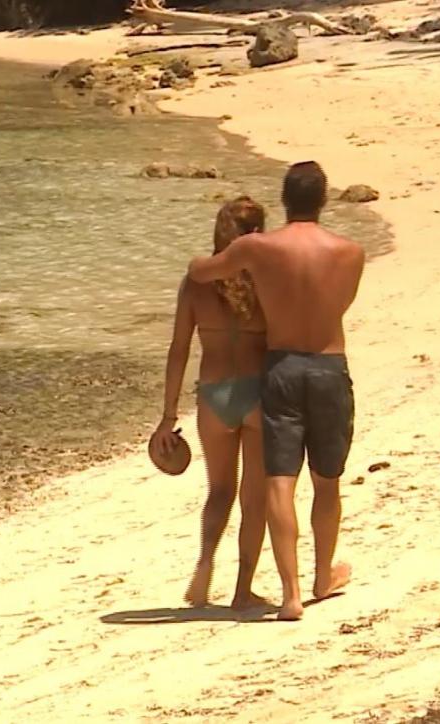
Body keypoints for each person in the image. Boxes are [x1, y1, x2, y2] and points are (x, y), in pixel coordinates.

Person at [187, 162, 365, 621]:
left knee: (280, 481)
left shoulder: (257, 248)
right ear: (323, 200)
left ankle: (290, 596)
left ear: (284, 200)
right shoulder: (351, 253)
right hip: (328, 365)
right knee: (327, 481)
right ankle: (322, 576)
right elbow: (338, 305)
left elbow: (202, 272)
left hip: (281, 368)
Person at [152, 196, 272, 610]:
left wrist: (168, 415)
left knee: (220, 489)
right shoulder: (267, 280)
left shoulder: (195, 282)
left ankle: (205, 563)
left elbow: (178, 350)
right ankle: (242, 590)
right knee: (254, 497)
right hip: (259, 392)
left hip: (215, 394)